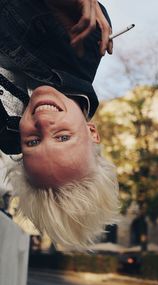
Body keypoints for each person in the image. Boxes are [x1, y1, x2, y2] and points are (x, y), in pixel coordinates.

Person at [0, 0, 119, 250]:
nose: (42, 121)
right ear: (91, 132)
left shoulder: (5, 130)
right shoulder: (86, 38)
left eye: (32, 142)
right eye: (63, 137)